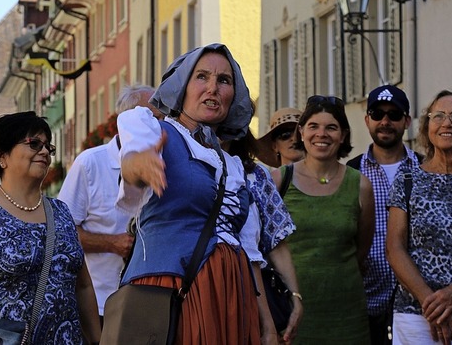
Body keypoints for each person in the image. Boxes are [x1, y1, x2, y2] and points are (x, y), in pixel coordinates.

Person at [115, 43, 277, 344]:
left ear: (233, 96)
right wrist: (138, 164)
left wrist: (266, 322)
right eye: (201, 76)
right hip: (168, 289)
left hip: (232, 294)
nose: (212, 88)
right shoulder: (153, 128)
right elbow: (133, 162)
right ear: (182, 86)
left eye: (224, 80)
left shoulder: (232, 165)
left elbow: (249, 250)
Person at [0, 111, 101, 344]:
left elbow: (83, 286)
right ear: (2, 157)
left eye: (48, 146)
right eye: (34, 143)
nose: (44, 152)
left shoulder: (62, 213)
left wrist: (99, 340)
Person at [270, 95, 375, 344]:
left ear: (343, 135)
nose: (322, 134)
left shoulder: (360, 185)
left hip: (347, 315)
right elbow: (267, 246)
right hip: (291, 312)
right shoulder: (278, 181)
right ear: (302, 132)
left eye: (331, 127)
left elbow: (361, 248)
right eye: (313, 126)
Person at [58, 84, 161, 323]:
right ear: (125, 122)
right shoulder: (90, 163)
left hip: (152, 303)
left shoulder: (166, 163)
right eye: (152, 117)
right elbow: (61, 233)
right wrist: (110, 243)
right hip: (100, 304)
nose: (160, 125)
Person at [386, 90, 452, 345]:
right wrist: (432, 304)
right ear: (427, 128)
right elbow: (394, 248)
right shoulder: (407, 179)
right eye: (439, 116)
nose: (447, 123)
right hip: (416, 318)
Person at [346, 85, 423, 345]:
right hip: (367, 300)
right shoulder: (350, 172)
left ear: (407, 121)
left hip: (418, 303)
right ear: (367, 120)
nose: (385, 121)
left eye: (394, 114)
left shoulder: (426, 169)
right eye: (378, 114)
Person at [227, 129, 303, 344]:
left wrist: (295, 296)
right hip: (208, 290)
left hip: (258, 295)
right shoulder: (190, 169)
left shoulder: (256, 174)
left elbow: (276, 240)